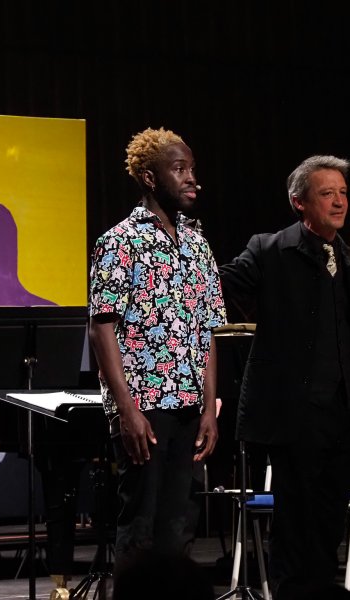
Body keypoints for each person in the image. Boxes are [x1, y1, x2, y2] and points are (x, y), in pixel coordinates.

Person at [219, 155, 350, 600]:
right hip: (291, 412)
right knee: (295, 517)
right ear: (298, 201)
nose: (339, 201)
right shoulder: (269, 250)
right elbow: (218, 286)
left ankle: (322, 593)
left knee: (328, 517)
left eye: (342, 192)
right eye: (327, 193)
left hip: (341, 412)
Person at [88, 126, 227, 576]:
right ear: (150, 177)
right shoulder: (119, 241)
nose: (192, 179)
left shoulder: (197, 244)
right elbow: (102, 328)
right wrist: (126, 410)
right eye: (179, 169)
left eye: (193, 169)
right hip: (145, 407)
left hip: (190, 407)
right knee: (141, 528)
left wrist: (210, 408)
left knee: (179, 529)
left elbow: (208, 331)